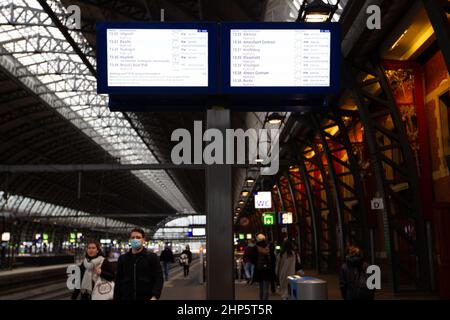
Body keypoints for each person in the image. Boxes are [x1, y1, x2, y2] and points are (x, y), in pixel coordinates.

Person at [113, 228, 164, 300]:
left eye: (138, 237)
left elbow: (158, 278)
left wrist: (155, 296)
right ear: (130, 240)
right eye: (133, 237)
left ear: (143, 240)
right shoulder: (123, 259)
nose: (135, 240)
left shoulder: (152, 257)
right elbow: (118, 281)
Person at [253, 234, 274, 300]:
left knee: (261, 286)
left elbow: (253, 258)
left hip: (259, 269)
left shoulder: (256, 247)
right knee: (266, 286)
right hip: (267, 269)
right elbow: (273, 258)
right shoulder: (268, 247)